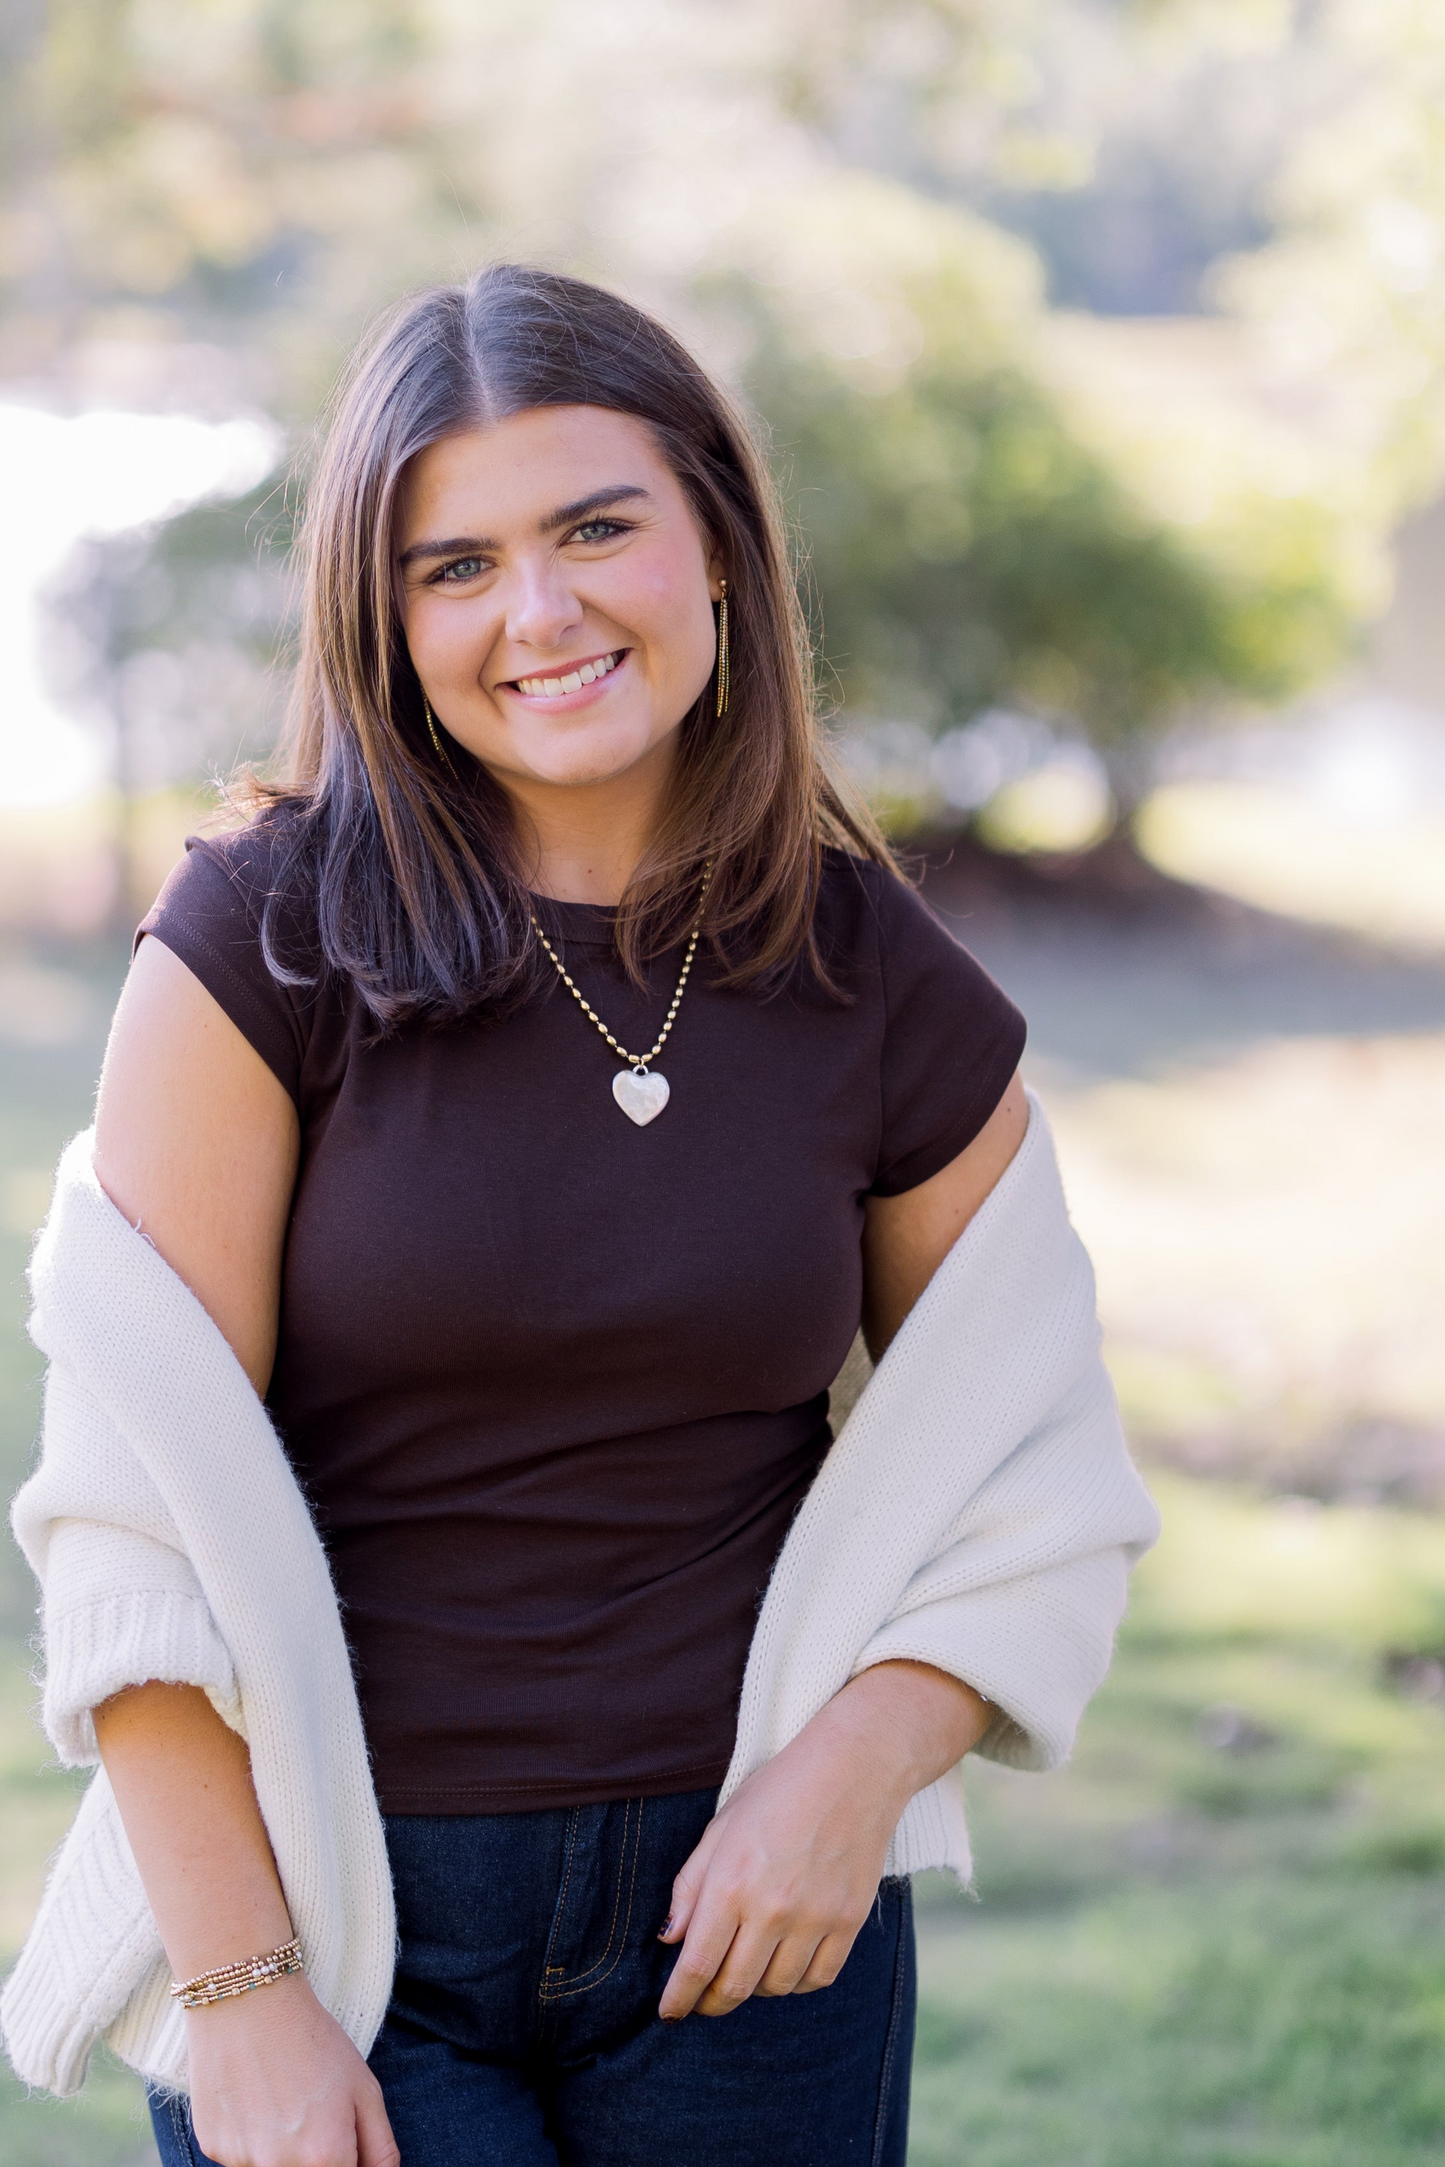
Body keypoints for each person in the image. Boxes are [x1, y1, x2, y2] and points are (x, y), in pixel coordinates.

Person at [4, 265, 1158, 2167]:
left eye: (594, 526)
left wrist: (848, 1779)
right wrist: (241, 2001)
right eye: (453, 565)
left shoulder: (878, 976)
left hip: (742, 1928)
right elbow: (131, 1534)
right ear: (386, 621)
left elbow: (1034, 1479)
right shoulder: (258, 948)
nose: (535, 613)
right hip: (338, 1925)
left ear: (715, 538)